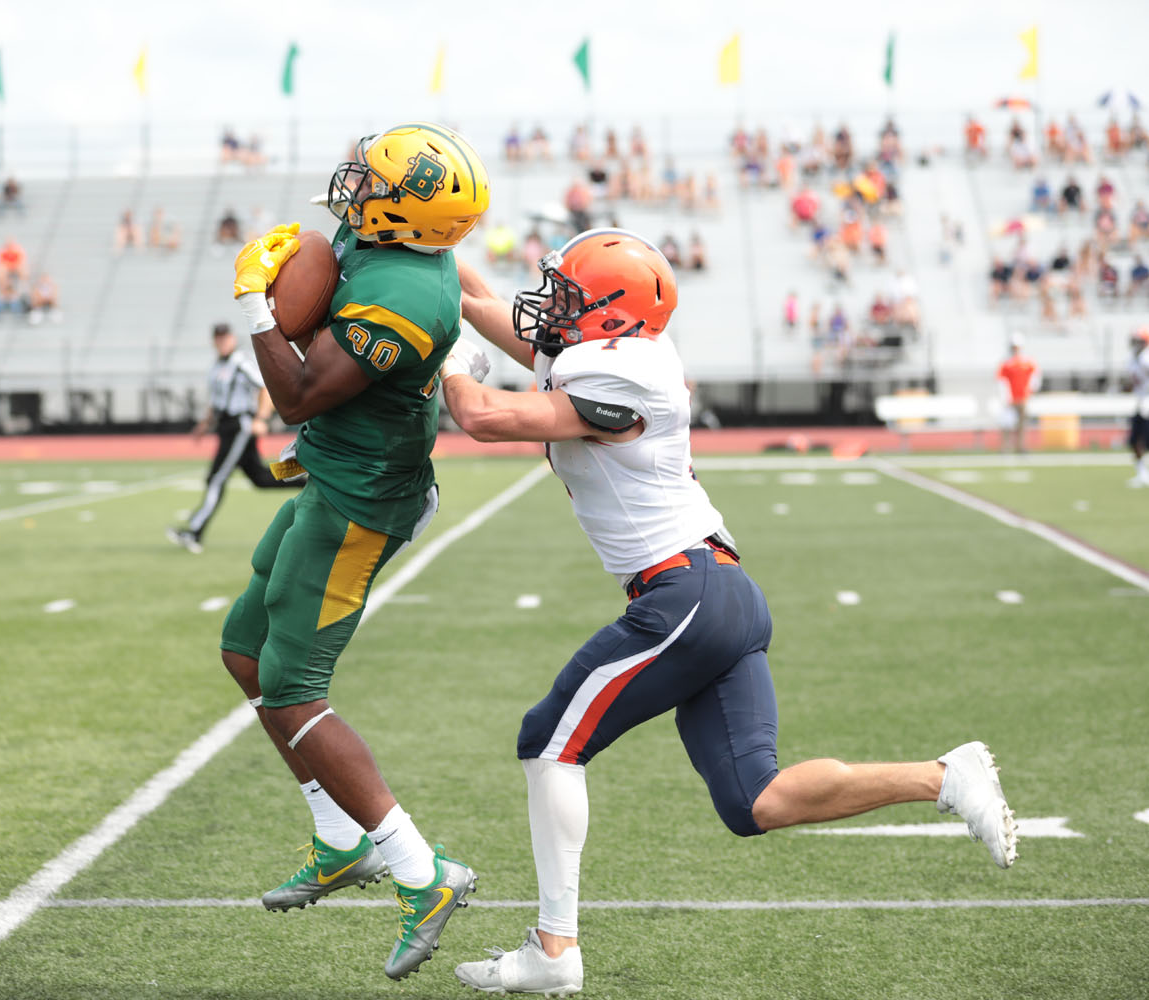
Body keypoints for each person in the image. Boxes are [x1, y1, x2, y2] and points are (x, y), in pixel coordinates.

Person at [439, 229, 1018, 996]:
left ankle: (554, 948)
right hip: (721, 593)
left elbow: (481, 417)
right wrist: (426, 239)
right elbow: (480, 301)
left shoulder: (621, 375)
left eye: (571, 297)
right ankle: (945, 777)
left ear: (611, 316)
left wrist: (448, 362)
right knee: (755, 802)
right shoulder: (609, 353)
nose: (552, 308)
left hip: (685, 594)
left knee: (549, 741)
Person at [217, 122, 490, 982]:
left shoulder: (404, 299)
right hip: (333, 475)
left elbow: (296, 394)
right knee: (245, 650)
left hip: (359, 502)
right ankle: (341, 839)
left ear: (407, 218)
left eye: (371, 185)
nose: (352, 192)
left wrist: (257, 310)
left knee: (295, 688)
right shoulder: (383, 238)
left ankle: (422, 871)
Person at [167, 323, 302, 553]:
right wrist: (204, 424)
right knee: (259, 477)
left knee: (216, 478)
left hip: (240, 425)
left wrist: (262, 418)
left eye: (225, 338)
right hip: (226, 426)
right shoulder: (217, 366)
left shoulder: (240, 362)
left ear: (232, 338)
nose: (222, 342)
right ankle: (302, 473)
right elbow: (216, 400)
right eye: (218, 339)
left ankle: (194, 532)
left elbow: (265, 387)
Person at [997, 334, 1040, 454]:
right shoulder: (1006, 363)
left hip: (1023, 398)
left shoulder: (1028, 362)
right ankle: (1005, 447)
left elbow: (1035, 377)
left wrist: (1030, 392)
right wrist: (1005, 397)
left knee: (1022, 425)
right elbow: (1002, 381)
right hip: (1010, 399)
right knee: (1007, 423)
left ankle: (1021, 447)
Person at [1127, 328, 1149, 488]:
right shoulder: (1133, 359)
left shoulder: (1146, 358)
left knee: (1145, 440)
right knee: (1135, 440)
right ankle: (1141, 473)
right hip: (1140, 402)